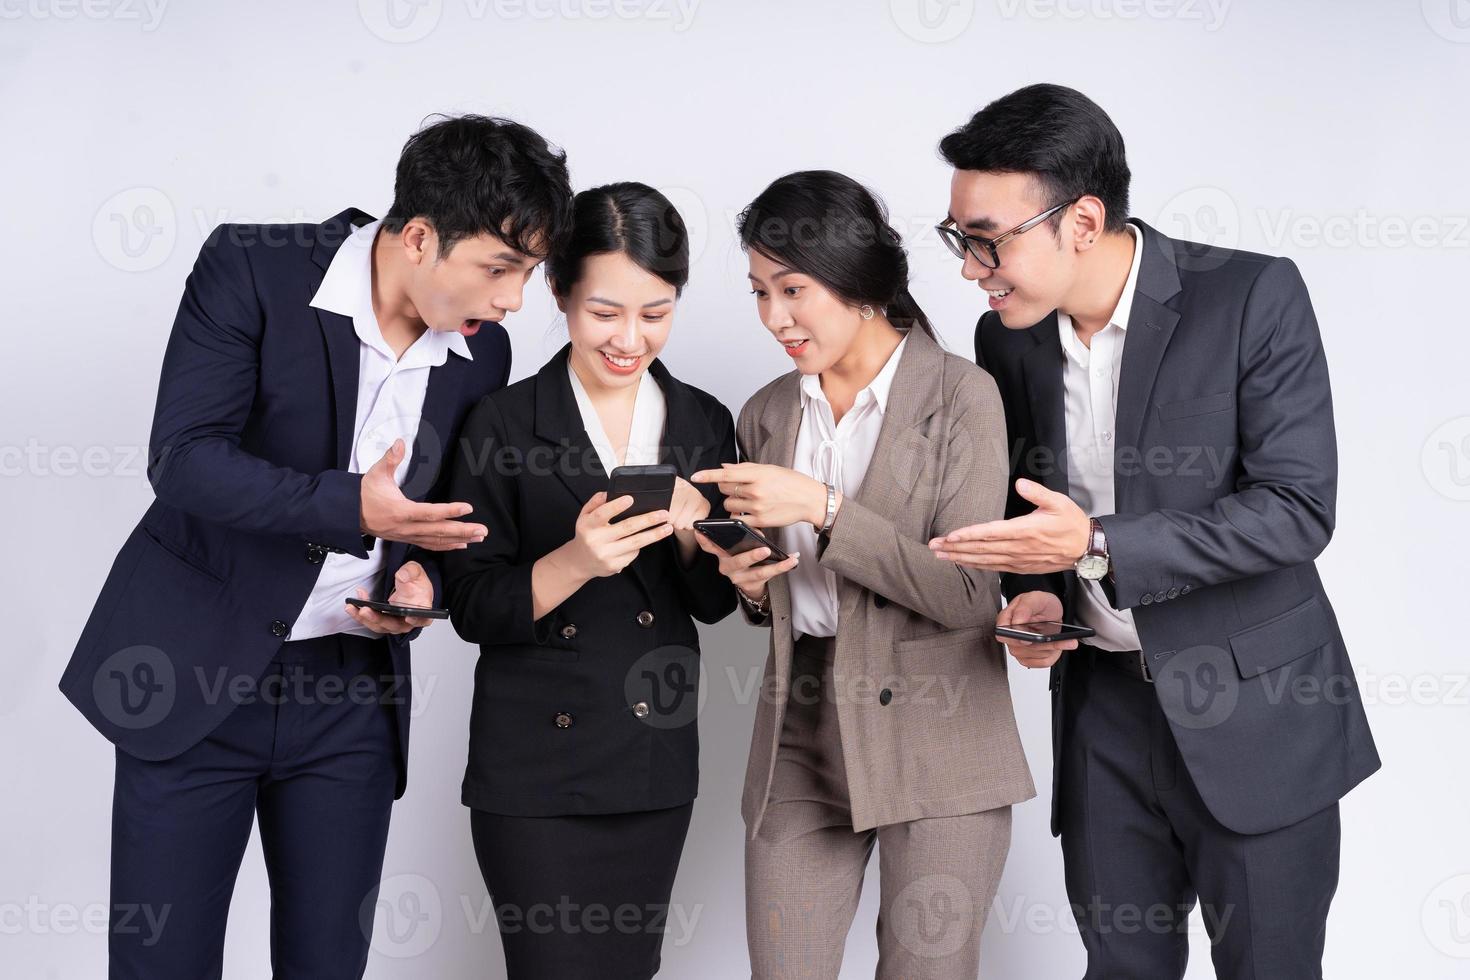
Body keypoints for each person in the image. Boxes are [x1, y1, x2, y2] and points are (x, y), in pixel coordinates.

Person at [58, 113, 573, 979]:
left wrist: (424, 582)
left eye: (527, 274)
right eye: (500, 268)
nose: (513, 300)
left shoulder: (483, 356)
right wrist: (354, 509)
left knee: (329, 963)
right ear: (418, 239)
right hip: (193, 675)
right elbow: (183, 460)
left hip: (349, 699)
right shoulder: (252, 267)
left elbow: (445, 520)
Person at [930, 83, 1381, 979]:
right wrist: (1035, 591)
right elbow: (1038, 511)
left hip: (1256, 715)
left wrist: (1096, 547)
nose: (971, 268)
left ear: (1083, 221)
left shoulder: (1253, 294)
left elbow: (1297, 508)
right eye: (960, 239)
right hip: (1103, 715)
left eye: (988, 241)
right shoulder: (1007, 341)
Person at [692, 170, 1035, 979]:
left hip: (940, 730)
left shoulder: (962, 397)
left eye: (793, 289)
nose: (775, 317)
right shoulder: (766, 412)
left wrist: (825, 505)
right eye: (759, 292)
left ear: (860, 284)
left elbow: (965, 594)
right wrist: (746, 581)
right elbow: (779, 594)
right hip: (800, 726)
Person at [440, 182, 737, 979]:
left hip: (652, 753)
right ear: (560, 294)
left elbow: (714, 605)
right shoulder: (502, 421)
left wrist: (691, 541)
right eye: (605, 312)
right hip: (534, 767)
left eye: (656, 312)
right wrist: (574, 563)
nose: (631, 339)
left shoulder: (705, 421)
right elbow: (469, 604)